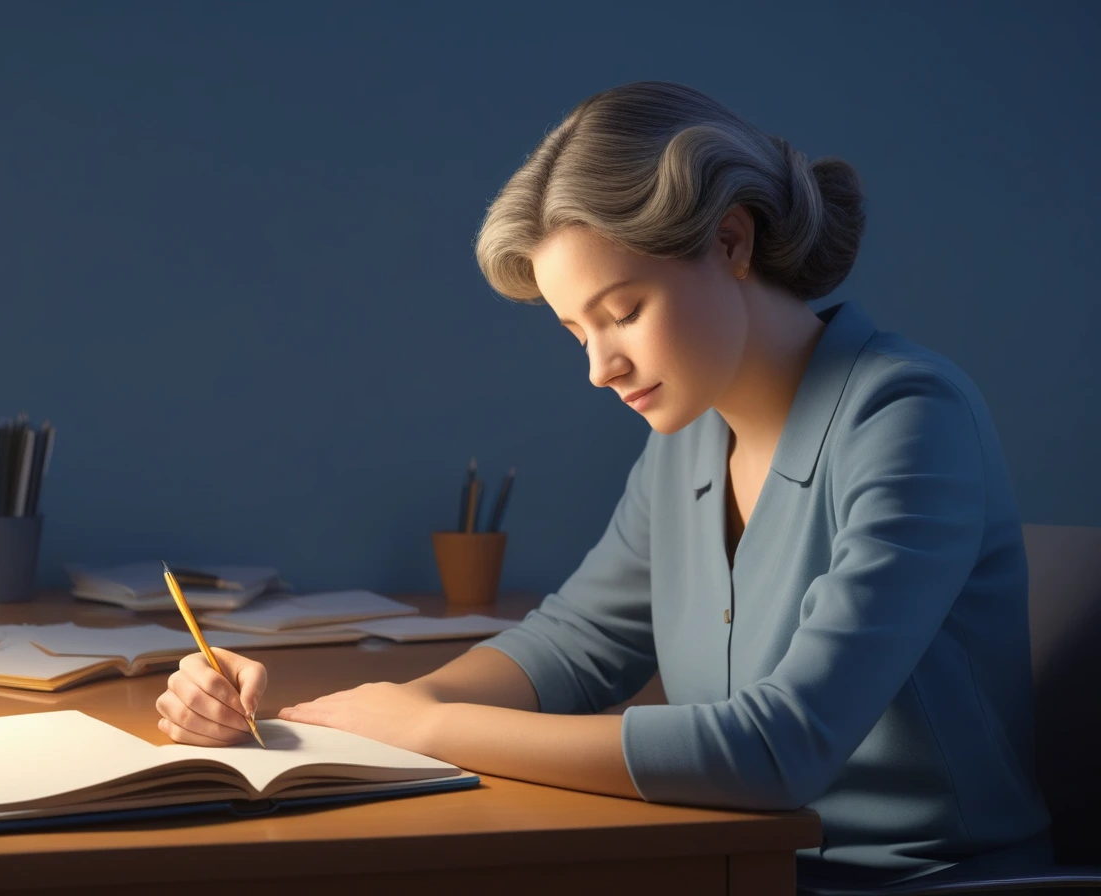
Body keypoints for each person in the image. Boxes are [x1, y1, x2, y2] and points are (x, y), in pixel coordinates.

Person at [154, 81, 1049, 878]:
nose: (599, 368)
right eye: (576, 331)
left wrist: (425, 729)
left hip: (916, 882)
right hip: (732, 868)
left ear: (731, 240)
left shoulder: (907, 417)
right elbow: (576, 646)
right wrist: (358, 712)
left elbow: (779, 753)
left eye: (623, 312)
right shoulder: (689, 437)